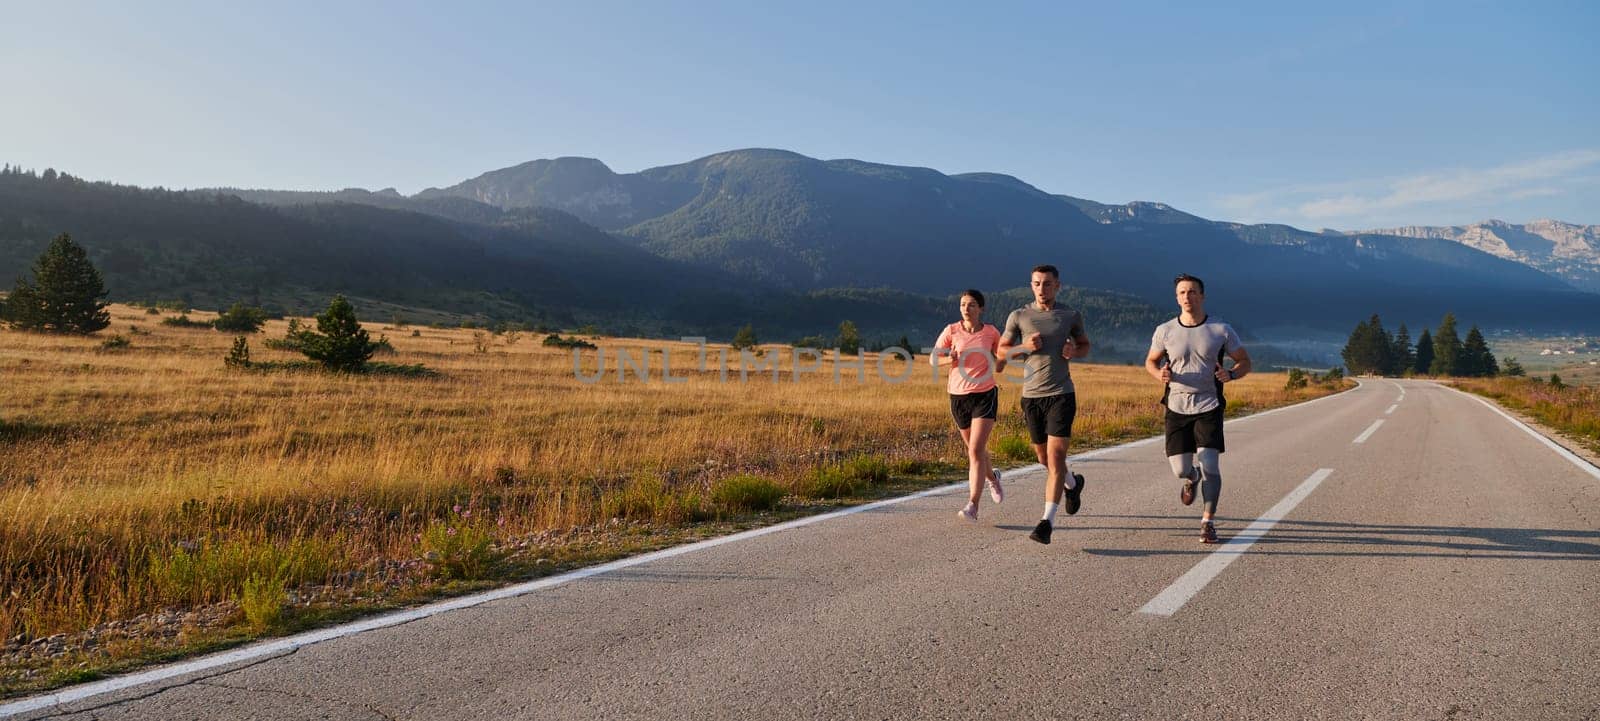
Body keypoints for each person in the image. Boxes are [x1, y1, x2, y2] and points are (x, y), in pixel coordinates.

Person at [1144, 273, 1252, 544]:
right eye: (1182, 292)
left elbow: (1244, 361)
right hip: (1176, 406)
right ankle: (1192, 478)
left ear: (1202, 296)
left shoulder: (1221, 330)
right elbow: (1150, 362)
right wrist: (1160, 375)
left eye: (1192, 292)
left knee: (1211, 466)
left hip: (1209, 405)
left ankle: (1208, 522)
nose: (1187, 297)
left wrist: (1232, 374)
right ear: (1176, 297)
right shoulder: (1165, 330)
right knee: (1180, 469)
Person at [998, 265, 1091, 545]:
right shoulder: (1019, 316)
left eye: (1048, 284)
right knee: (1044, 459)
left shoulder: (1070, 315)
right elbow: (1001, 353)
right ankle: (1072, 484)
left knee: (1056, 458)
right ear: (1031, 286)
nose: (1042, 289)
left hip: (1062, 394)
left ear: (1057, 286)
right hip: (1031, 397)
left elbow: (1085, 344)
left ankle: (1046, 522)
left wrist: (1074, 351)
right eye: (1037, 284)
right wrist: (1024, 347)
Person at [932, 290, 1007, 521]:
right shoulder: (951, 330)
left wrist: (1004, 359)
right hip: (958, 397)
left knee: (975, 450)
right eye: (963, 304)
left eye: (972, 305)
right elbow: (933, 359)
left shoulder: (991, 332)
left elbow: (1003, 354)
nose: (966, 308)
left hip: (985, 394)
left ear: (981, 308)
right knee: (977, 451)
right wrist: (949, 359)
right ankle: (993, 479)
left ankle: (972, 505)